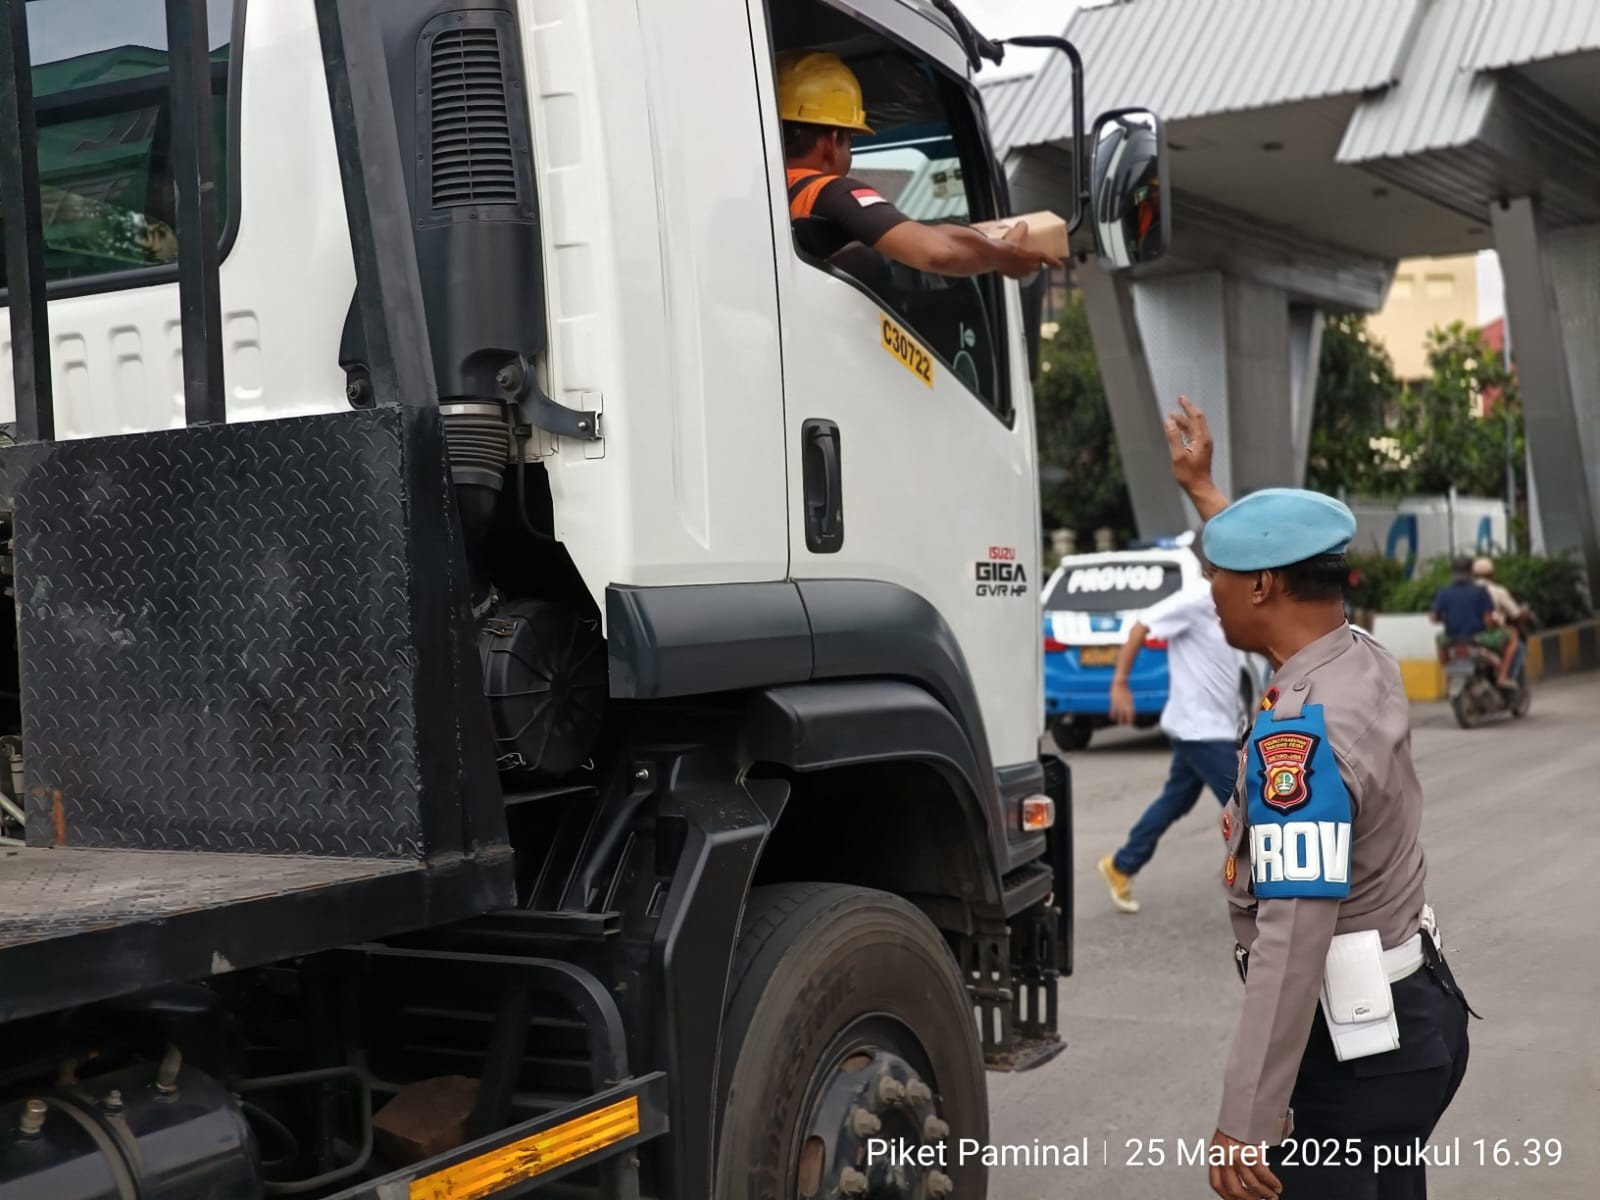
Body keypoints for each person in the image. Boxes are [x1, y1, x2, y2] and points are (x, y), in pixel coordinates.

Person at [1165, 397, 1473, 1200]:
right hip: (1415, 1018)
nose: (1211, 590)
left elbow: (1294, 935)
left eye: (1217, 574)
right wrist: (1204, 492)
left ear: (1263, 584)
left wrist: (1246, 1118)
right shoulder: (1358, 653)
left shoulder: (1298, 742)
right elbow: (1269, 561)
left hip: (1358, 1060)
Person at [776, 50, 1058, 279]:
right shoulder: (829, 193)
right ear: (832, 140)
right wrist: (1003, 256)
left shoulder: (767, 196)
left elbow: (923, 235)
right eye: (850, 141)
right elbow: (936, 251)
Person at [1096, 547, 1241, 915]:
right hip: (1199, 729)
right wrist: (1120, 683)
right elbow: (1141, 625)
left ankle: (1121, 865)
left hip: (1211, 725)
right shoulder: (1196, 597)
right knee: (1246, 807)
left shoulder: (1228, 600)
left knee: (1175, 801)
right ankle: (1261, 889)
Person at [1428, 557, 1512, 688]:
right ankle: (1502, 675)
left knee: (1439, 639)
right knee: (1510, 637)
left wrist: (1444, 618)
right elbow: (1488, 619)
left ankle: (1449, 675)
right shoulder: (1480, 591)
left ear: (1452, 573)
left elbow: (1434, 617)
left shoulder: (1444, 593)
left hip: (1452, 638)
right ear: (1471, 572)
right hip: (1478, 638)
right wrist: (1497, 625)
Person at [1472, 556, 1529, 682]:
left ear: (1473, 575)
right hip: (1490, 635)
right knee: (1518, 645)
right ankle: (1506, 677)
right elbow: (1515, 614)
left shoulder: (1467, 591)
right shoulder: (1498, 591)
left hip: (1468, 636)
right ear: (1492, 575)